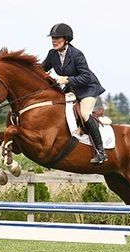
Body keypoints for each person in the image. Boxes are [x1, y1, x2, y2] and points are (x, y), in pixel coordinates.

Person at [42, 23, 108, 164]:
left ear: (66, 39)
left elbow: (86, 77)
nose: (54, 40)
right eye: (52, 37)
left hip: (87, 88)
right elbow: (41, 69)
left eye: (57, 38)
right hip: (71, 89)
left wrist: (66, 79)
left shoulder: (76, 54)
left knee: (84, 114)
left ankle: (101, 151)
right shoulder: (52, 54)